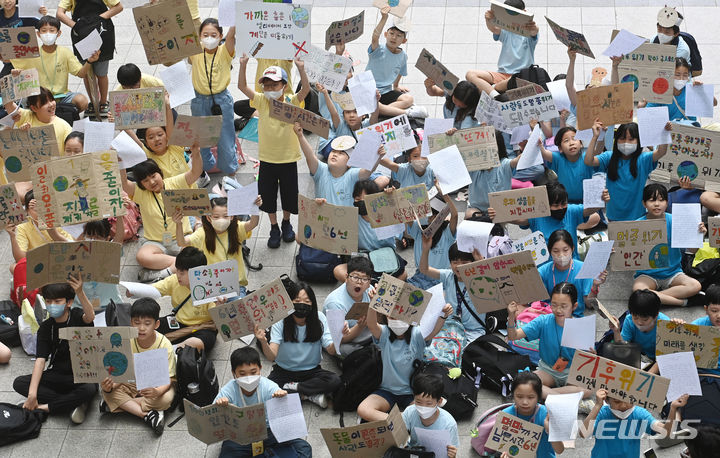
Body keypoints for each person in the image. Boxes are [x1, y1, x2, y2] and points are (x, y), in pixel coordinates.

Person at [237, 56, 310, 248]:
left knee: (289, 193)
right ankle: (274, 226)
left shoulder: (292, 101)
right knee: (267, 196)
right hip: (267, 159)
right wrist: (243, 65)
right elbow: (242, 87)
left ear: (284, 85)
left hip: (288, 158)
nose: (270, 89)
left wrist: (301, 68)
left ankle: (286, 223)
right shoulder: (261, 101)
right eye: (266, 85)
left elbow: (306, 90)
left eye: (274, 85)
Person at [13, 277, 97, 424]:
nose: (52, 305)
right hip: (57, 374)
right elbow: (40, 361)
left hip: (81, 374)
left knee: (90, 389)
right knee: (19, 383)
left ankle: (44, 407)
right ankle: (75, 403)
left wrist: (80, 292)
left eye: (57, 301)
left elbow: (89, 316)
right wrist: (32, 394)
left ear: (69, 303)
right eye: (49, 301)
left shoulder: (77, 316)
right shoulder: (46, 327)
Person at [119, 143, 202, 282]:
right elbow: (124, 183)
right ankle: (180, 264)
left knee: (198, 250)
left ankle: (161, 274)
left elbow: (196, 172)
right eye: (145, 180)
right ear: (141, 184)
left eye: (153, 176)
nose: (151, 182)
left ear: (160, 173)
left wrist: (197, 152)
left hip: (182, 238)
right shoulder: (140, 192)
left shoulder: (175, 182)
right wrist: (120, 163)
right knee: (142, 257)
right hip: (155, 242)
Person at [358, 302, 451, 422]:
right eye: (392, 317)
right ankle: (403, 420)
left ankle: (394, 421)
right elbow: (371, 324)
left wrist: (443, 315)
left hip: (413, 392)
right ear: (386, 317)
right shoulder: (384, 333)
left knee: (427, 412)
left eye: (402, 317)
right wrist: (374, 303)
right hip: (387, 391)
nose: (397, 321)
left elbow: (433, 331)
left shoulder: (416, 334)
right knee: (363, 409)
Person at [255, 280, 341, 409]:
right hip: (284, 371)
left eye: (307, 302)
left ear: (313, 303)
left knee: (335, 381)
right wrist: (263, 341)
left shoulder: (319, 318)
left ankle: (295, 389)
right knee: (264, 393)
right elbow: (272, 356)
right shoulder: (281, 321)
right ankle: (308, 395)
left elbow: (331, 350)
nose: (302, 305)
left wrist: (339, 337)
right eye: (297, 300)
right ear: (289, 302)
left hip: (311, 371)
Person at [214, 347, 312, 457]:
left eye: (253, 372)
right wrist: (221, 405)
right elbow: (213, 416)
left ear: (260, 368)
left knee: (303, 448)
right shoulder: (228, 390)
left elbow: (278, 393)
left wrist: (280, 396)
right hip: (241, 436)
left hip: (269, 431)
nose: (248, 378)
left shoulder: (268, 386)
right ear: (234, 373)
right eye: (242, 374)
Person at [99, 298, 175, 435]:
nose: (141, 328)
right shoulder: (126, 340)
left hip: (156, 384)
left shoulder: (165, 345)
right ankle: (147, 415)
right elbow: (120, 373)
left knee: (166, 399)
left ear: (156, 324)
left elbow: (168, 380)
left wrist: (157, 392)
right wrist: (110, 387)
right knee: (105, 390)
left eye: (147, 323)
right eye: (136, 322)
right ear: (130, 322)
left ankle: (120, 404)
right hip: (132, 380)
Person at [507, 282, 592, 404]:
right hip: (547, 369)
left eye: (564, 306)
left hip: (571, 372)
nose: (558, 310)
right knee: (526, 384)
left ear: (574, 306)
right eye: (554, 305)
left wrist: (591, 355)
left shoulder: (581, 327)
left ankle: (550, 395)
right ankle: (568, 398)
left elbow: (586, 361)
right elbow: (513, 336)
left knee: (588, 390)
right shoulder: (543, 321)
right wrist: (511, 316)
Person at [175, 196, 261, 298]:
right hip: (212, 287)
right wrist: (178, 224)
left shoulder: (236, 229)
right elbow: (182, 242)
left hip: (236, 285)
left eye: (225, 216)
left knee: (237, 306)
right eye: (216, 217)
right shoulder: (202, 234)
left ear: (232, 217)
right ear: (208, 218)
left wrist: (255, 208)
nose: (221, 220)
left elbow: (253, 224)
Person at [632, 183, 704, 306]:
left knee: (695, 285)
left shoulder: (676, 220)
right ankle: (681, 302)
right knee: (638, 289)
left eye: (661, 200)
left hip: (673, 272)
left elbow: (692, 250)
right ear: (644, 203)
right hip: (647, 275)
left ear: (667, 202)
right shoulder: (637, 225)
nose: (656, 204)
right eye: (651, 200)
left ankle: (654, 297)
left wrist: (698, 236)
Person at [493, 182, 606, 259]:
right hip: (545, 265)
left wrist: (601, 200)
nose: (561, 208)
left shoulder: (571, 211)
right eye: (555, 205)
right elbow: (515, 218)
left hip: (570, 263)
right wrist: (496, 213)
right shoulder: (536, 215)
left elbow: (589, 210)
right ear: (546, 205)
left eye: (563, 204)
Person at [9, 15, 99, 113]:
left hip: (62, 96)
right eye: (44, 31)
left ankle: (59, 113)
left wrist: (89, 61)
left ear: (58, 33)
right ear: (38, 34)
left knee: (82, 101)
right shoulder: (32, 53)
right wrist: (16, 73)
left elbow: (81, 74)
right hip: (40, 97)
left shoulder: (65, 52)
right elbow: (17, 68)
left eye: (52, 30)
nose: (48, 34)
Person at [585, 120, 671, 221]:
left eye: (631, 139)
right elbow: (588, 161)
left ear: (638, 141)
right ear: (616, 140)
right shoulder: (609, 157)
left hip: (637, 217)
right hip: (614, 216)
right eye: (622, 138)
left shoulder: (643, 159)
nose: (626, 142)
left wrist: (664, 132)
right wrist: (595, 137)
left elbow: (661, 151)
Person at [188, 19, 237, 175]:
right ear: (200, 36)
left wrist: (238, 14)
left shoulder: (224, 51)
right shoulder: (195, 51)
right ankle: (205, 168)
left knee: (225, 139)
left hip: (221, 100)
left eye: (214, 35)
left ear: (220, 36)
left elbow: (231, 35)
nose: (209, 38)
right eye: (205, 34)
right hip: (199, 100)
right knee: (202, 139)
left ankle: (230, 170)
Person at [56, 0, 123, 116]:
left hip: (102, 34)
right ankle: (93, 102)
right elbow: (59, 13)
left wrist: (99, 19)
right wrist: (76, 25)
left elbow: (119, 7)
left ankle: (102, 102)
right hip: (81, 35)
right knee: (87, 74)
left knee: (101, 73)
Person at [582, 388, 688, 458]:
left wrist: (673, 408)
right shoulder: (601, 413)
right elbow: (584, 433)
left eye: (629, 400)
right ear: (607, 401)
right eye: (617, 401)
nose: (623, 406)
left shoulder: (639, 413)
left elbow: (666, 432)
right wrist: (597, 406)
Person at [297, 123, 383, 207]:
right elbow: (310, 156)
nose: (335, 154)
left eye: (341, 153)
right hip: (324, 219)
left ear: (349, 163)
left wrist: (378, 157)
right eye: (333, 151)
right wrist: (300, 136)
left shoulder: (352, 175)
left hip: (345, 220)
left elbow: (368, 171)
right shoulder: (321, 170)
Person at [48, 217, 124, 311]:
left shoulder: (111, 252)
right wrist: (46, 212)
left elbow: (120, 238)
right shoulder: (75, 251)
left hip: (110, 307)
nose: (92, 240)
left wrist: (120, 215)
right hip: (81, 309)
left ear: (107, 239)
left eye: (98, 237)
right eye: (89, 235)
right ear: (84, 236)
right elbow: (55, 235)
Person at [420, 240, 488, 343]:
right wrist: (425, 250)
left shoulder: (479, 280)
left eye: (464, 263)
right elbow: (424, 269)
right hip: (449, 329)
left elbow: (491, 279)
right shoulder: (448, 276)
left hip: (473, 333)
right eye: (455, 262)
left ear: (473, 263)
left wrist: (480, 262)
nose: (458, 266)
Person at [466, 0, 539, 96]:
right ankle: (495, 95)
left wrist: (534, 28)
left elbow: (534, 32)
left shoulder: (528, 35)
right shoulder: (506, 31)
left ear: (523, 12)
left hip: (520, 76)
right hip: (502, 74)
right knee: (470, 74)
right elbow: (494, 29)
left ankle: (494, 89)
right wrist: (488, 20)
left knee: (511, 82)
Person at [151, 247, 217, 352]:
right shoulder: (174, 280)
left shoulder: (210, 288)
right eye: (177, 270)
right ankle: (176, 349)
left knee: (196, 343)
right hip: (177, 322)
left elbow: (217, 318)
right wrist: (134, 291)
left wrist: (219, 305)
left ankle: (171, 351)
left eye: (182, 273)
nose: (178, 275)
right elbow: (153, 289)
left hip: (203, 328)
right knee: (149, 326)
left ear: (195, 273)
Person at [367, 6, 426, 119]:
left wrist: (396, 86)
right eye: (391, 33)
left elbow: (400, 71)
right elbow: (375, 37)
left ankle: (384, 111)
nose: (394, 37)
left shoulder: (403, 56)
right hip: (371, 90)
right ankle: (407, 113)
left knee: (408, 99)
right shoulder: (377, 49)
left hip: (386, 91)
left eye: (399, 36)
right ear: (385, 34)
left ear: (404, 41)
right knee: (376, 105)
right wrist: (384, 18)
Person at [538, 229, 605, 317]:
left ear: (572, 249)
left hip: (574, 318)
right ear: (549, 251)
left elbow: (590, 305)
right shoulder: (542, 272)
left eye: (565, 250)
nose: (561, 255)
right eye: (556, 251)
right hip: (549, 317)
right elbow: (538, 302)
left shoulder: (584, 269)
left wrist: (595, 286)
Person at [501, 372, 564, 457]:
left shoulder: (546, 415)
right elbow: (502, 446)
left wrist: (550, 429)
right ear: (513, 395)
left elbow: (559, 450)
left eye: (530, 397)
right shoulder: (506, 415)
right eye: (519, 396)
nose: (525, 402)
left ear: (538, 397)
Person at [405, 187, 458, 289]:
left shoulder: (447, 232)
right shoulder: (418, 229)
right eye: (427, 215)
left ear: (440, 216)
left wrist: (444, 195)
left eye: (432, 215)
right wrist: (398, 196)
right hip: (420, 277)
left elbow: (454, 215)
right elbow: (406, 215)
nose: (429, 218)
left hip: (440, 278)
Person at [7, 190, 73, 272]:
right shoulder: (22, 228)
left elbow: (71, 246)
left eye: (42, 209)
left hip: (59, 260)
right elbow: (21, 259)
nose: (39, 213)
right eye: (34, 209)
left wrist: (50, 229)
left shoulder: (54, 222)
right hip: (38, 265)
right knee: (14, 267)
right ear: (27, 211)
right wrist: (12, 236)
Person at [609, 289, 671, 374]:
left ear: (655, 315)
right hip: (640, 358)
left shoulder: (665, 324)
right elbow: (622, 347)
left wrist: (648, 376)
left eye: (645, 319)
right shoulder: (629, 320)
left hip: (659, 361)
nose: (639, 322)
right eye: (635, 318)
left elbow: (665, 357)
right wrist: (616, 331)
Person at [640, 58, 717, 125]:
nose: (681, 78)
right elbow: (648, 114)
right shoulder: (661, 92)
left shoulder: (692, 90)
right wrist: (641, 106)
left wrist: (702, 91)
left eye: (685, 75)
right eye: (677, 74)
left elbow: (714, 103)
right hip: (668, 131)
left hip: (690, 131)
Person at [322, 256, 375, 355]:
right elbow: (340, 338)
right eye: (355, 277)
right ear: (346, 278)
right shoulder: (334, 303)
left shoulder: (370, 291)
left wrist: (378, 303)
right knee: (346, 350)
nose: (359, 282)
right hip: (344, 339)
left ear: (369, 282)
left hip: (367, 332)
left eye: (364, 279)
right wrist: (360, 326)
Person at [464, 129, 521, 216]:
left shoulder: (504, 164)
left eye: (491, 146)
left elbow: (519, 160)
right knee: (469, 214)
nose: (487, 149)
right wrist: (452, 136)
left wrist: (532, 136)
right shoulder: (474, 165)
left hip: (498, 211)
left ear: (499, 146)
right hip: (476, 210)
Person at [401, 373, 459, 458]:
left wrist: (452, 455)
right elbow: (399, 436)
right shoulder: (409, 412)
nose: (423, 407)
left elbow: (451, 450)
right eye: (418, 402)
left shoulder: (449, 424)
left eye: (429, 403)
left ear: (439, 401)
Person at [3, 86, 74, 154]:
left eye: (51, 100)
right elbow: (8, 104)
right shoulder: (26, 116)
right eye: (44, 103)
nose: (51, 104)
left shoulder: (64, 126)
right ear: (34, 108)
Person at [540, 127, 600, 204]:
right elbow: (544, 153)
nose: (571, 143)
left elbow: (598, 151)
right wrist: (538, 143)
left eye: (574, 139)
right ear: (560, 148)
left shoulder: (587, 158)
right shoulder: (558, 158)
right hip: (565, 203)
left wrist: (600, 136)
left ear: (581, 144)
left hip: (587, 202)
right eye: (566, 141)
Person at [0, 0, 45, 77]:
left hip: (28, 61)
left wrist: (43, 15)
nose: (7, 1)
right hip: (10, 62)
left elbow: (43, 27)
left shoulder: (24, 13)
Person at [691, 284, 720, 374]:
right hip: (703, 373)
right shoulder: (697, 326)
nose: (719, 316)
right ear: (706, 309)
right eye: (714, 311)